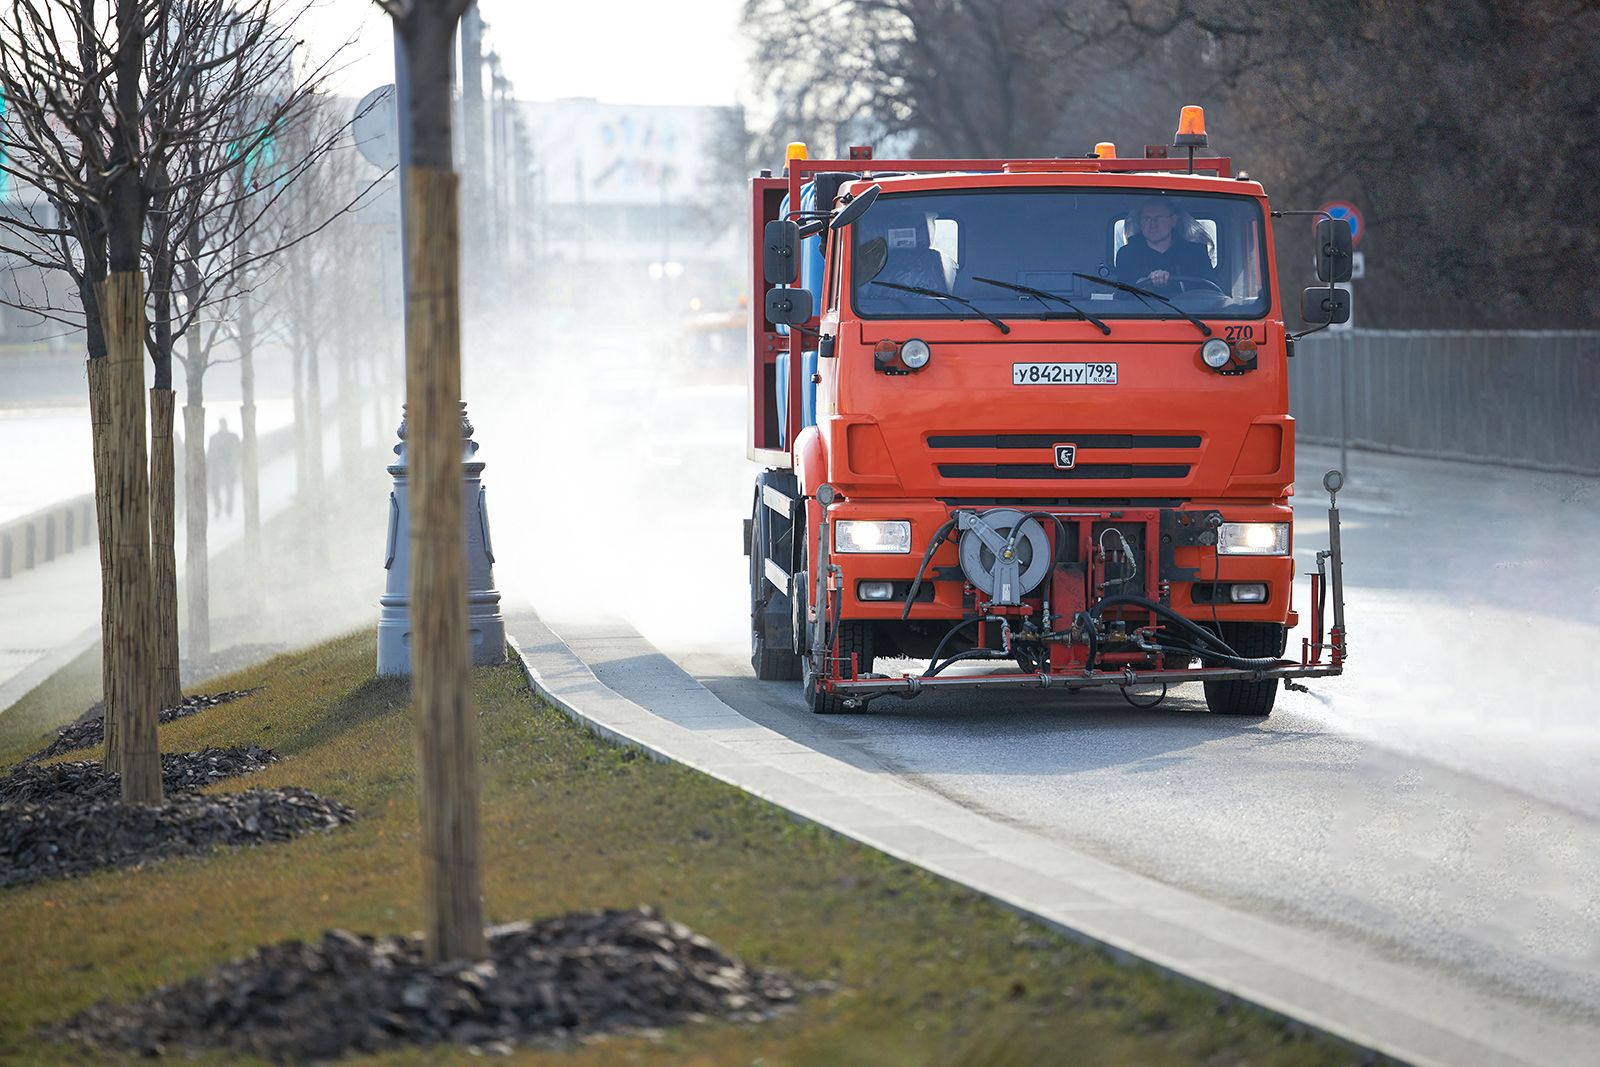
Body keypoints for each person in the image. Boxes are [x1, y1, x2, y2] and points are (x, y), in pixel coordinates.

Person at [1114, 200, 1215, 293]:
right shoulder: (1126, 254)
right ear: (1140, 222)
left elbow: (1212, 293)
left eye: (1158, 218)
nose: (1153, 224)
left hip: (1189, 312)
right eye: (1147, 218)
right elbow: (1121, 296)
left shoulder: (1196, 253)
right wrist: (1144, 283)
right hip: (1137, 312)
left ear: (1173, 221)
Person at [208, 418, 241, 518]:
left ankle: (228, 509)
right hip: (216, 468)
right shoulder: (213, 438)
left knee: (230, 490)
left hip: (228, 467)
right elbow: (210, 454)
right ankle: (218, 507)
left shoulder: (233, 437)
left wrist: (234, 464)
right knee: (215, 489)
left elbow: (238, 451)